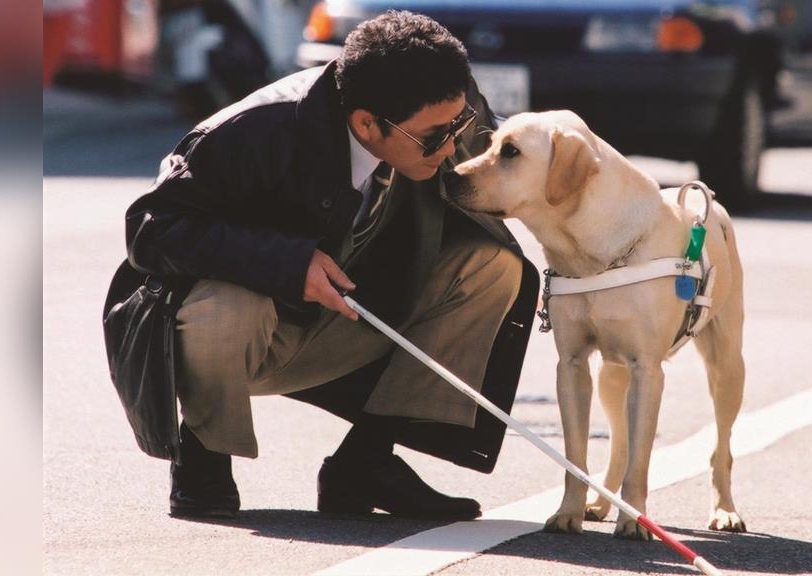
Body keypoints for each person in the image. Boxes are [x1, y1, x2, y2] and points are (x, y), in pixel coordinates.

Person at [103, 10, 538, 521]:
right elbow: (150, 228)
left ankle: (365, 463)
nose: (450, 148)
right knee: (226, 304)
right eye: (433, 136)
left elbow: (520, 157)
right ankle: (203, 455)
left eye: (457, 125)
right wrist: (287, 263)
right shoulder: (254, 130)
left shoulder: (440, 105)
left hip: (353, 320)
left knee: (492, 265)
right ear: (366, 123)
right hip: (249, 335)